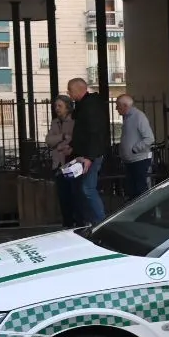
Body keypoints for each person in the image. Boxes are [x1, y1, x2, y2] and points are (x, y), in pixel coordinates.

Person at [66, 77, 110, 226]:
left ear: (79, 89)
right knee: (82, 188)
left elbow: (94, 132)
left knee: (87, 188)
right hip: (86, 153)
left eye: (70, 90)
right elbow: (84, 132)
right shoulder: (85, 105)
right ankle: (91, 220)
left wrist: (89, 157)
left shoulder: (90, 107)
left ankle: (100, 221)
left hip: (91, 154)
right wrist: (73, 145)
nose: (68, 93)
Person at [115, 93, 156, 202]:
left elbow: (149, 138)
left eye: (117, 106)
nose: (116, 109)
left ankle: (146, 213)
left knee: (140, 190)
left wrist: (134, 149)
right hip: (131, 160)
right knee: (133, 190)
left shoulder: (138, 116)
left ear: (125, 106)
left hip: (139, 159)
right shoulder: (128, 118)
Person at [46, 94, 77, 228]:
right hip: (58, 164)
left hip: (70, 164)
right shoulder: (55, 122)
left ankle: (76, 222)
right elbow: (48, 141)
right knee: (62, 196)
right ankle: (67, 223)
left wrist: (58, 143)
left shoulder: (74, 122)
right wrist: (62, 136)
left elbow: (73, 141)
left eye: (60, 106)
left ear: (68, 107)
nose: (57, 109)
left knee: (73, 194)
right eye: (55, 106)